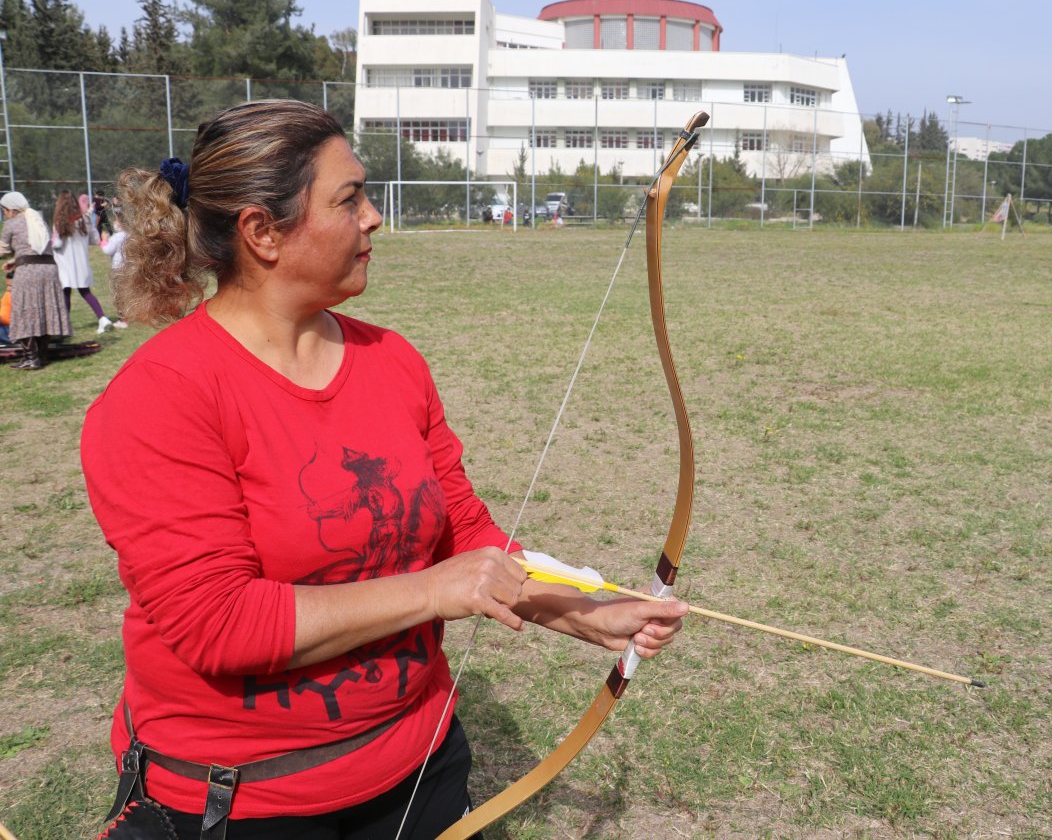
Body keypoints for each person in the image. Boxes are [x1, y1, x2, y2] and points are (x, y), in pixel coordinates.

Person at [81, 99, 686, 839]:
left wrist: (594, 616)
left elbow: (466, 537)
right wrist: (433, 591)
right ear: (262, 232)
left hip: (419, 767)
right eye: (350, 199)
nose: (374, 217)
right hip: (239, 799)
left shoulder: (391, 361)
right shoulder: (160, 396)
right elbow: (220, 623)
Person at [0, 191, 71, 370]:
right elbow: (36, 249)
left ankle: (31, 358)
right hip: (49, 270)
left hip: (29, 273)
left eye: (3, 210)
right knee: (44, 311)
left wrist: (11, 256)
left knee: (25, 312)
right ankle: (42, 355)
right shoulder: (38, 220)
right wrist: (16, 261)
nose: (4, 214)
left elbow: (3, 249)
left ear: (10, 209)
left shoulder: (12, 223)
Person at [50, 190, 126, 334]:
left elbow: (57, 244)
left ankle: (65, 326)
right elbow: (94, 239)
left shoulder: (60, 222)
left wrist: (51, 240)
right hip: (81, 264)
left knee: (65, 292)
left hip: (65, 264)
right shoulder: (84, 219)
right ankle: (102, 318)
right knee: (85, 292)